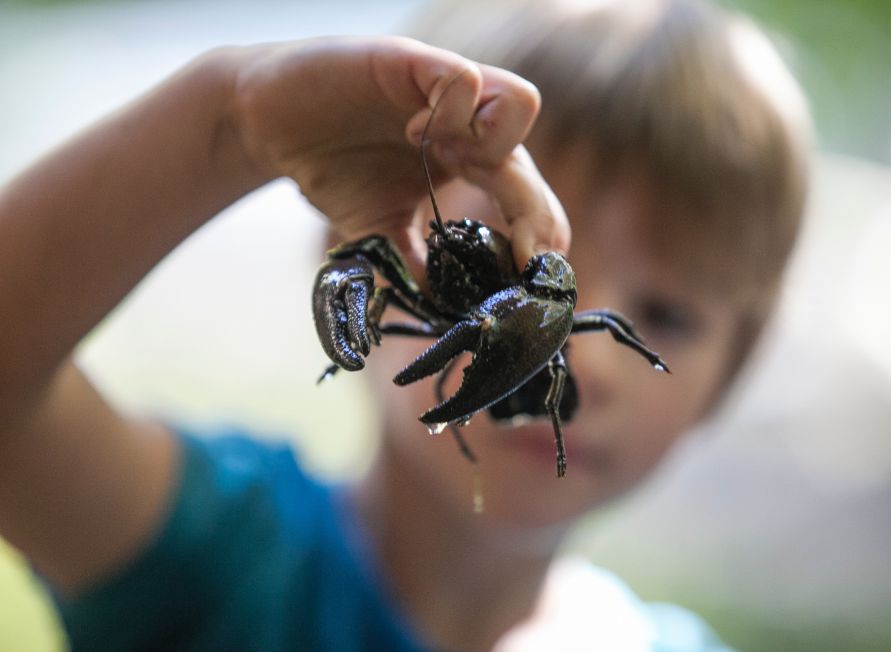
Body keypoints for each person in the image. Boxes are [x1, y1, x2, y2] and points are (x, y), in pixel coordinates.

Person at [0, 1, 810, 651]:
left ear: (730, 372)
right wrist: (230, 124)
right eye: (507, 258)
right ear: (360, 235)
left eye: (666, 313)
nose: (570, 356)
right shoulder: (219, 554)